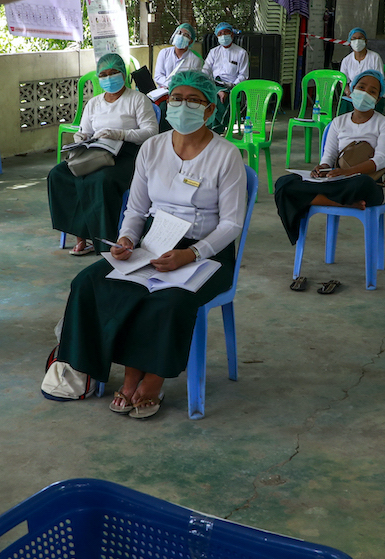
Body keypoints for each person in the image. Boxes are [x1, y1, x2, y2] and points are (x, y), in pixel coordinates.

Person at [50, 70, 247, 420]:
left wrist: (191, 253)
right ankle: (94, 368)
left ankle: (150, 379)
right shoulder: (152, 148)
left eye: (193, 100)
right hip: (154, 241)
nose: (182, 105)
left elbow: (232, 223)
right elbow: (137, 209)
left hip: (207, 251)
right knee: (89, 283)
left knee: (167, 299)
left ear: (208, 109)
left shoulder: (226, 155)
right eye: (175, 98)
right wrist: (127, 239)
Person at [274, 70, 385, 289]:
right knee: (283, 183)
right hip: (336, 184)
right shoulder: (338, 123)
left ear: (379, 98)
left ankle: (324, 199)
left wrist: (347, 172)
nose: (365, 93)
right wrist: (321, 169)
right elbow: (328, 159)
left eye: (373, 91)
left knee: (363, 183)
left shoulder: (384, 124)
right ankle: (344, 203)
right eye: (361, 87)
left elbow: (381, 161)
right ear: (351, 90)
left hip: (365, 185)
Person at [47, 51, 159, 256]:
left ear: (123, 74)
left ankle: (104, 242)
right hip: (94, 152)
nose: (108, 78)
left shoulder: (137, 99)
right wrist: (81, 139)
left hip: (127, 154)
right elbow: (85, 130)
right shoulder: (94, 103)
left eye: (113, 73)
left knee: (101, 181)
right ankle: (81, 236)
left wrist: (120, 134)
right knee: (59, 175)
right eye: (103, 74)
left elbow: (151, 132)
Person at [202, 21, 248, 132]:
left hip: (232, 86)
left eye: (226, 33)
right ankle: (208, 127)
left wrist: (232, 86)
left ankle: (216, 129)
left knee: (220, 98)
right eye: (220, 34)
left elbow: (243, 75)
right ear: (217, 36)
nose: (223, 36)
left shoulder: (241, 53)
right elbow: (206, 70)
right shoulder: (214, 52)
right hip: (214, 84)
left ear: (231, 34)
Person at [153, 22, 201, 89]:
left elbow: (193, 82)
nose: (181, 36)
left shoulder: (195, 60)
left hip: (183, 94)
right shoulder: (164, 53)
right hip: (163, 92)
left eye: (186, 35)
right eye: (179, 33)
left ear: (190, 41)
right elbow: (158, 76)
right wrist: (170, 84)